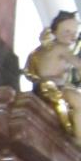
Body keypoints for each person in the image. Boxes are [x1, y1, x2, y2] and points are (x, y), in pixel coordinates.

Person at [24, 10, 81, 140]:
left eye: (74, 33)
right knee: (79, 101)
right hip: (53, 87)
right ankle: (79, 140)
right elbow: (77, 64)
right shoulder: (61, 48)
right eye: (67, 31)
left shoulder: (43, 49)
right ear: (55, 32)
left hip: (42, 88)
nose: (72, 36)